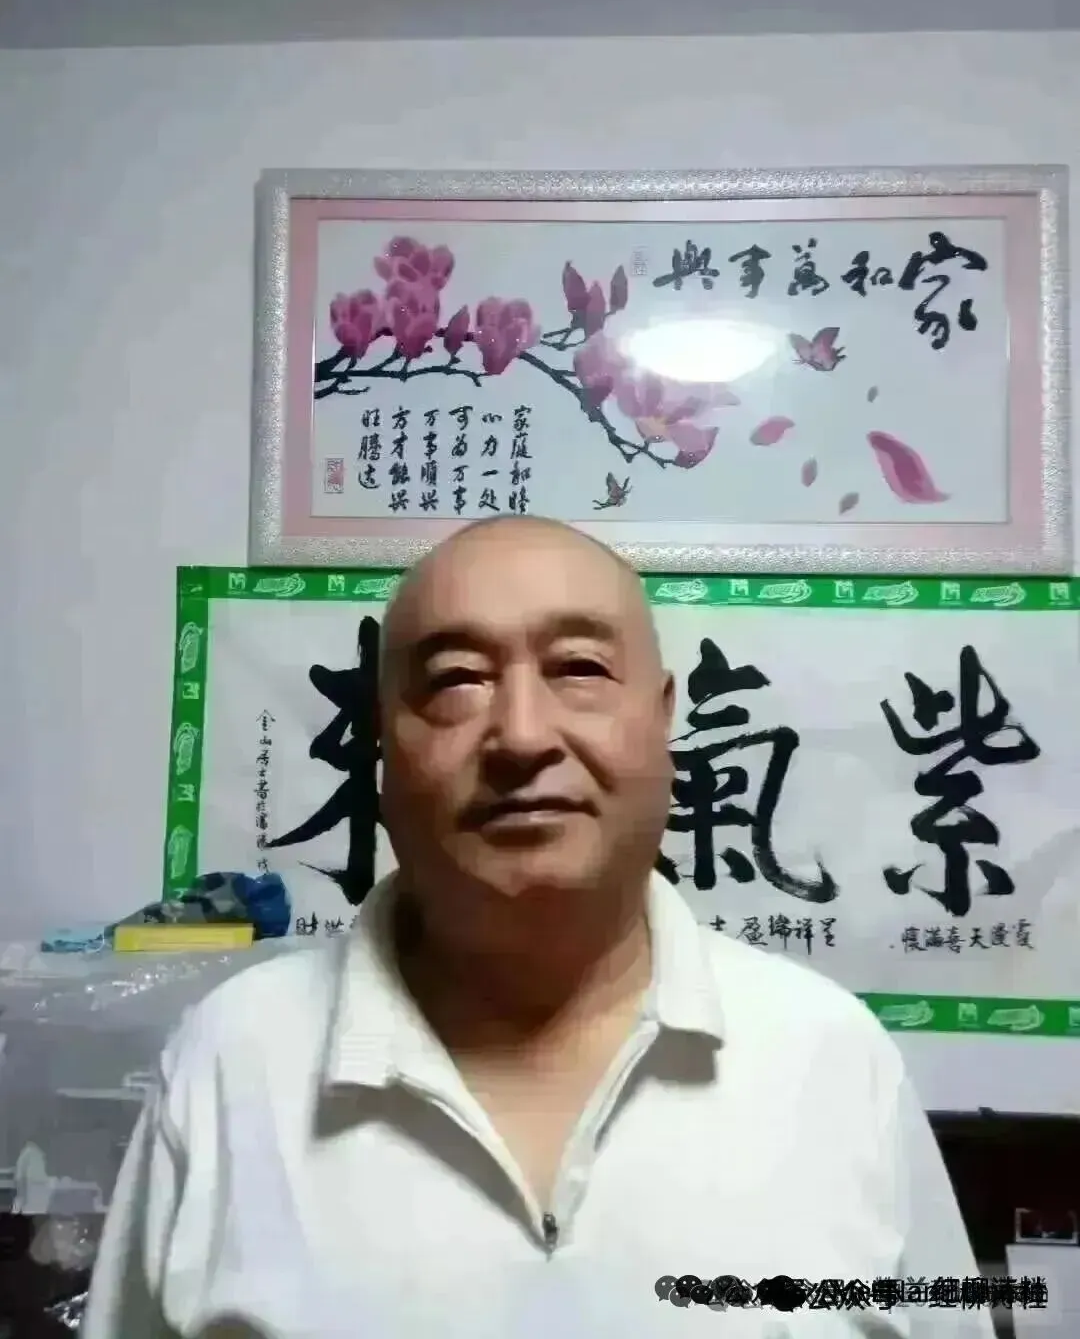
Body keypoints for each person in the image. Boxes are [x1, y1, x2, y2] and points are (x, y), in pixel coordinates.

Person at [83, 516, 994, 1337]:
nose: (521, 736)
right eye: (456, 680)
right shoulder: (230, 1063)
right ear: (383, 743)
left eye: (580, 669)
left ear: (664, 721)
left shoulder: (833, 1058)